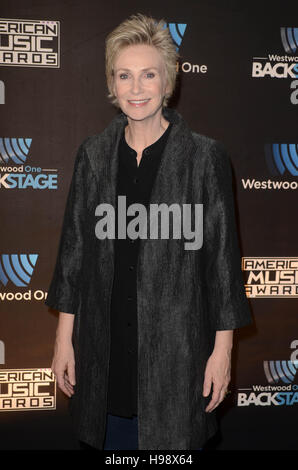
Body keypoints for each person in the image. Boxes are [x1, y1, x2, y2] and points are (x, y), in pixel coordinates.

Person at [45, 13, 252, 451]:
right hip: (104, 351)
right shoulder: (94, 155)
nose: (136, 89)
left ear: (168, 82)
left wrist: (222, 352)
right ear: (112, 83)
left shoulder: (203, 158)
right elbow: (74, 252)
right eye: (125, 75)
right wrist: (65, 339)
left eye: (148, 75)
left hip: (177, 355)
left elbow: (220, 262)